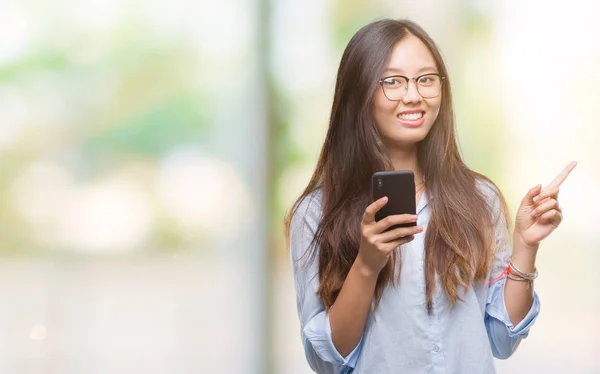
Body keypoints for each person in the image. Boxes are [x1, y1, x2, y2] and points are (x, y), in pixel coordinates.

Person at [285, 19, 576, 374]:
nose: (414, 95)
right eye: (392, 81)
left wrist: (526, 246)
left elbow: (501, 339)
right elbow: (325, 361)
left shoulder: (479, 198)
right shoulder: (318, 212)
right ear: (358, 91)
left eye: (426, 79)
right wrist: (366, 264)